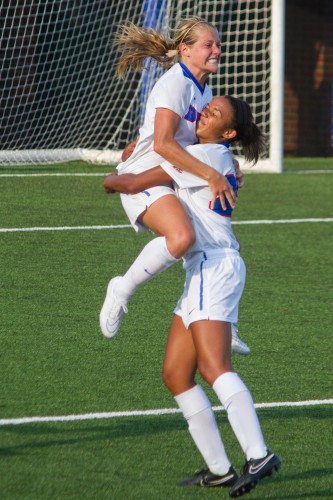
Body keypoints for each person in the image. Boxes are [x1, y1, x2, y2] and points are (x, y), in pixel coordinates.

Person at [102, 95, 281, 497]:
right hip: (205, 270)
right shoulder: (209, 156)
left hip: (214, 268)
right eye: (206, 107)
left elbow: (133, 182)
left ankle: (259, 454)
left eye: (214, 113)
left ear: (228, 133)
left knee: (214, 367)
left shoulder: (205, 156)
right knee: (176, 374)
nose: (204, 112)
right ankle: (220, 469)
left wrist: (114, 176)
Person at [100, 16, 243, 343]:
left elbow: (193, 142)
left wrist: (228, 164)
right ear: (186, 50)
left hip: (171, 180)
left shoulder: (203, 91)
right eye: (209, 45)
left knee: (219, 239)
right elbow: (163, 143)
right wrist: (210, 174)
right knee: (181, 237)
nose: (217, 50)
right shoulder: (177, 83)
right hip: (144, 180)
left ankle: (218, 317)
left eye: (218, 44)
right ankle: (121, 288)